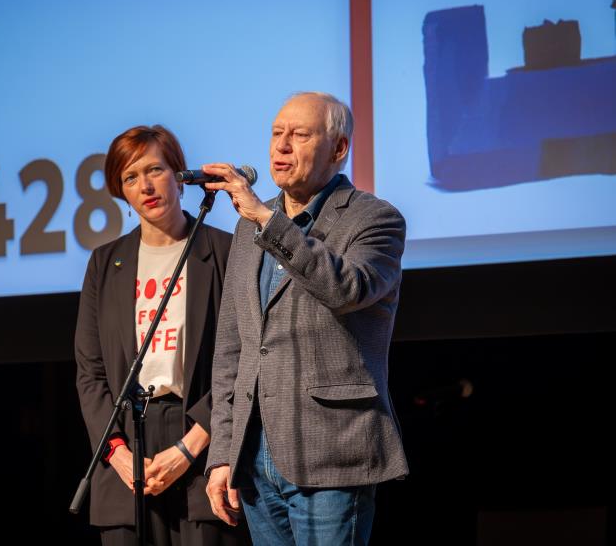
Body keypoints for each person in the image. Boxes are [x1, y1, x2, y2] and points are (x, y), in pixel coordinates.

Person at [200, 93, 408, 545]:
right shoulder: (248, 226)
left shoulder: (375, 219)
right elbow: (233, 347)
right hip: (255, 457)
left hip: (333, 450)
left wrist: (265, 219)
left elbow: (347, 289)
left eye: (299, 135)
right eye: (277, 133)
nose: (282, 146)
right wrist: (223, 453)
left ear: (338, 148)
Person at [75, 125, 251, 546]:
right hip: (127, 446)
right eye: (130, 177)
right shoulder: (105, 263)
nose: (145, 186)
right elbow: (90, 373)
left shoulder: (225, 251)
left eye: (155, 169)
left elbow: (246, 360)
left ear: (178, 174)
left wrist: (189, 448)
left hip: (203, 440)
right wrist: (117, 454)